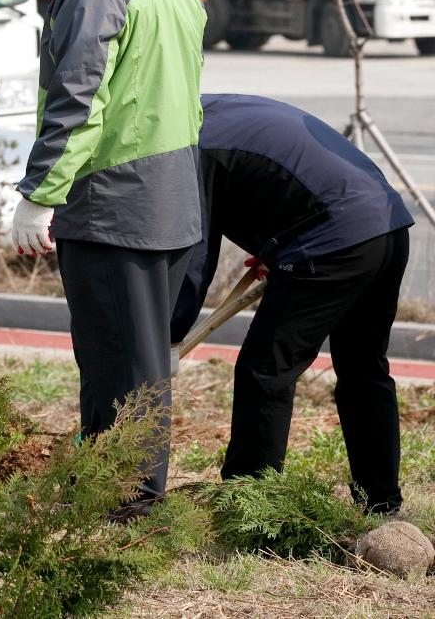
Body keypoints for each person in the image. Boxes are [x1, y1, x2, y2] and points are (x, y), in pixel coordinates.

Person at [9, 0, 205, 512]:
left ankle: (121, 510)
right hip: (172, 200)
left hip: (113, 207)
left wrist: (38, 195)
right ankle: (116, 497)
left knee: (117, 369)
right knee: (143, 367)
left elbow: (77, 101)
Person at [171, 94, 413, 514]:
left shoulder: (189, 144)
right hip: (386, 227)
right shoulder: (221, 109)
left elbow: (194, 255)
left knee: (266, 371)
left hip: (333, 238)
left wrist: (168, 336)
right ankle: (381, 501)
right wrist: (280, 246)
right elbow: (279, 176)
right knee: (363, 368)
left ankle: (250, 505)